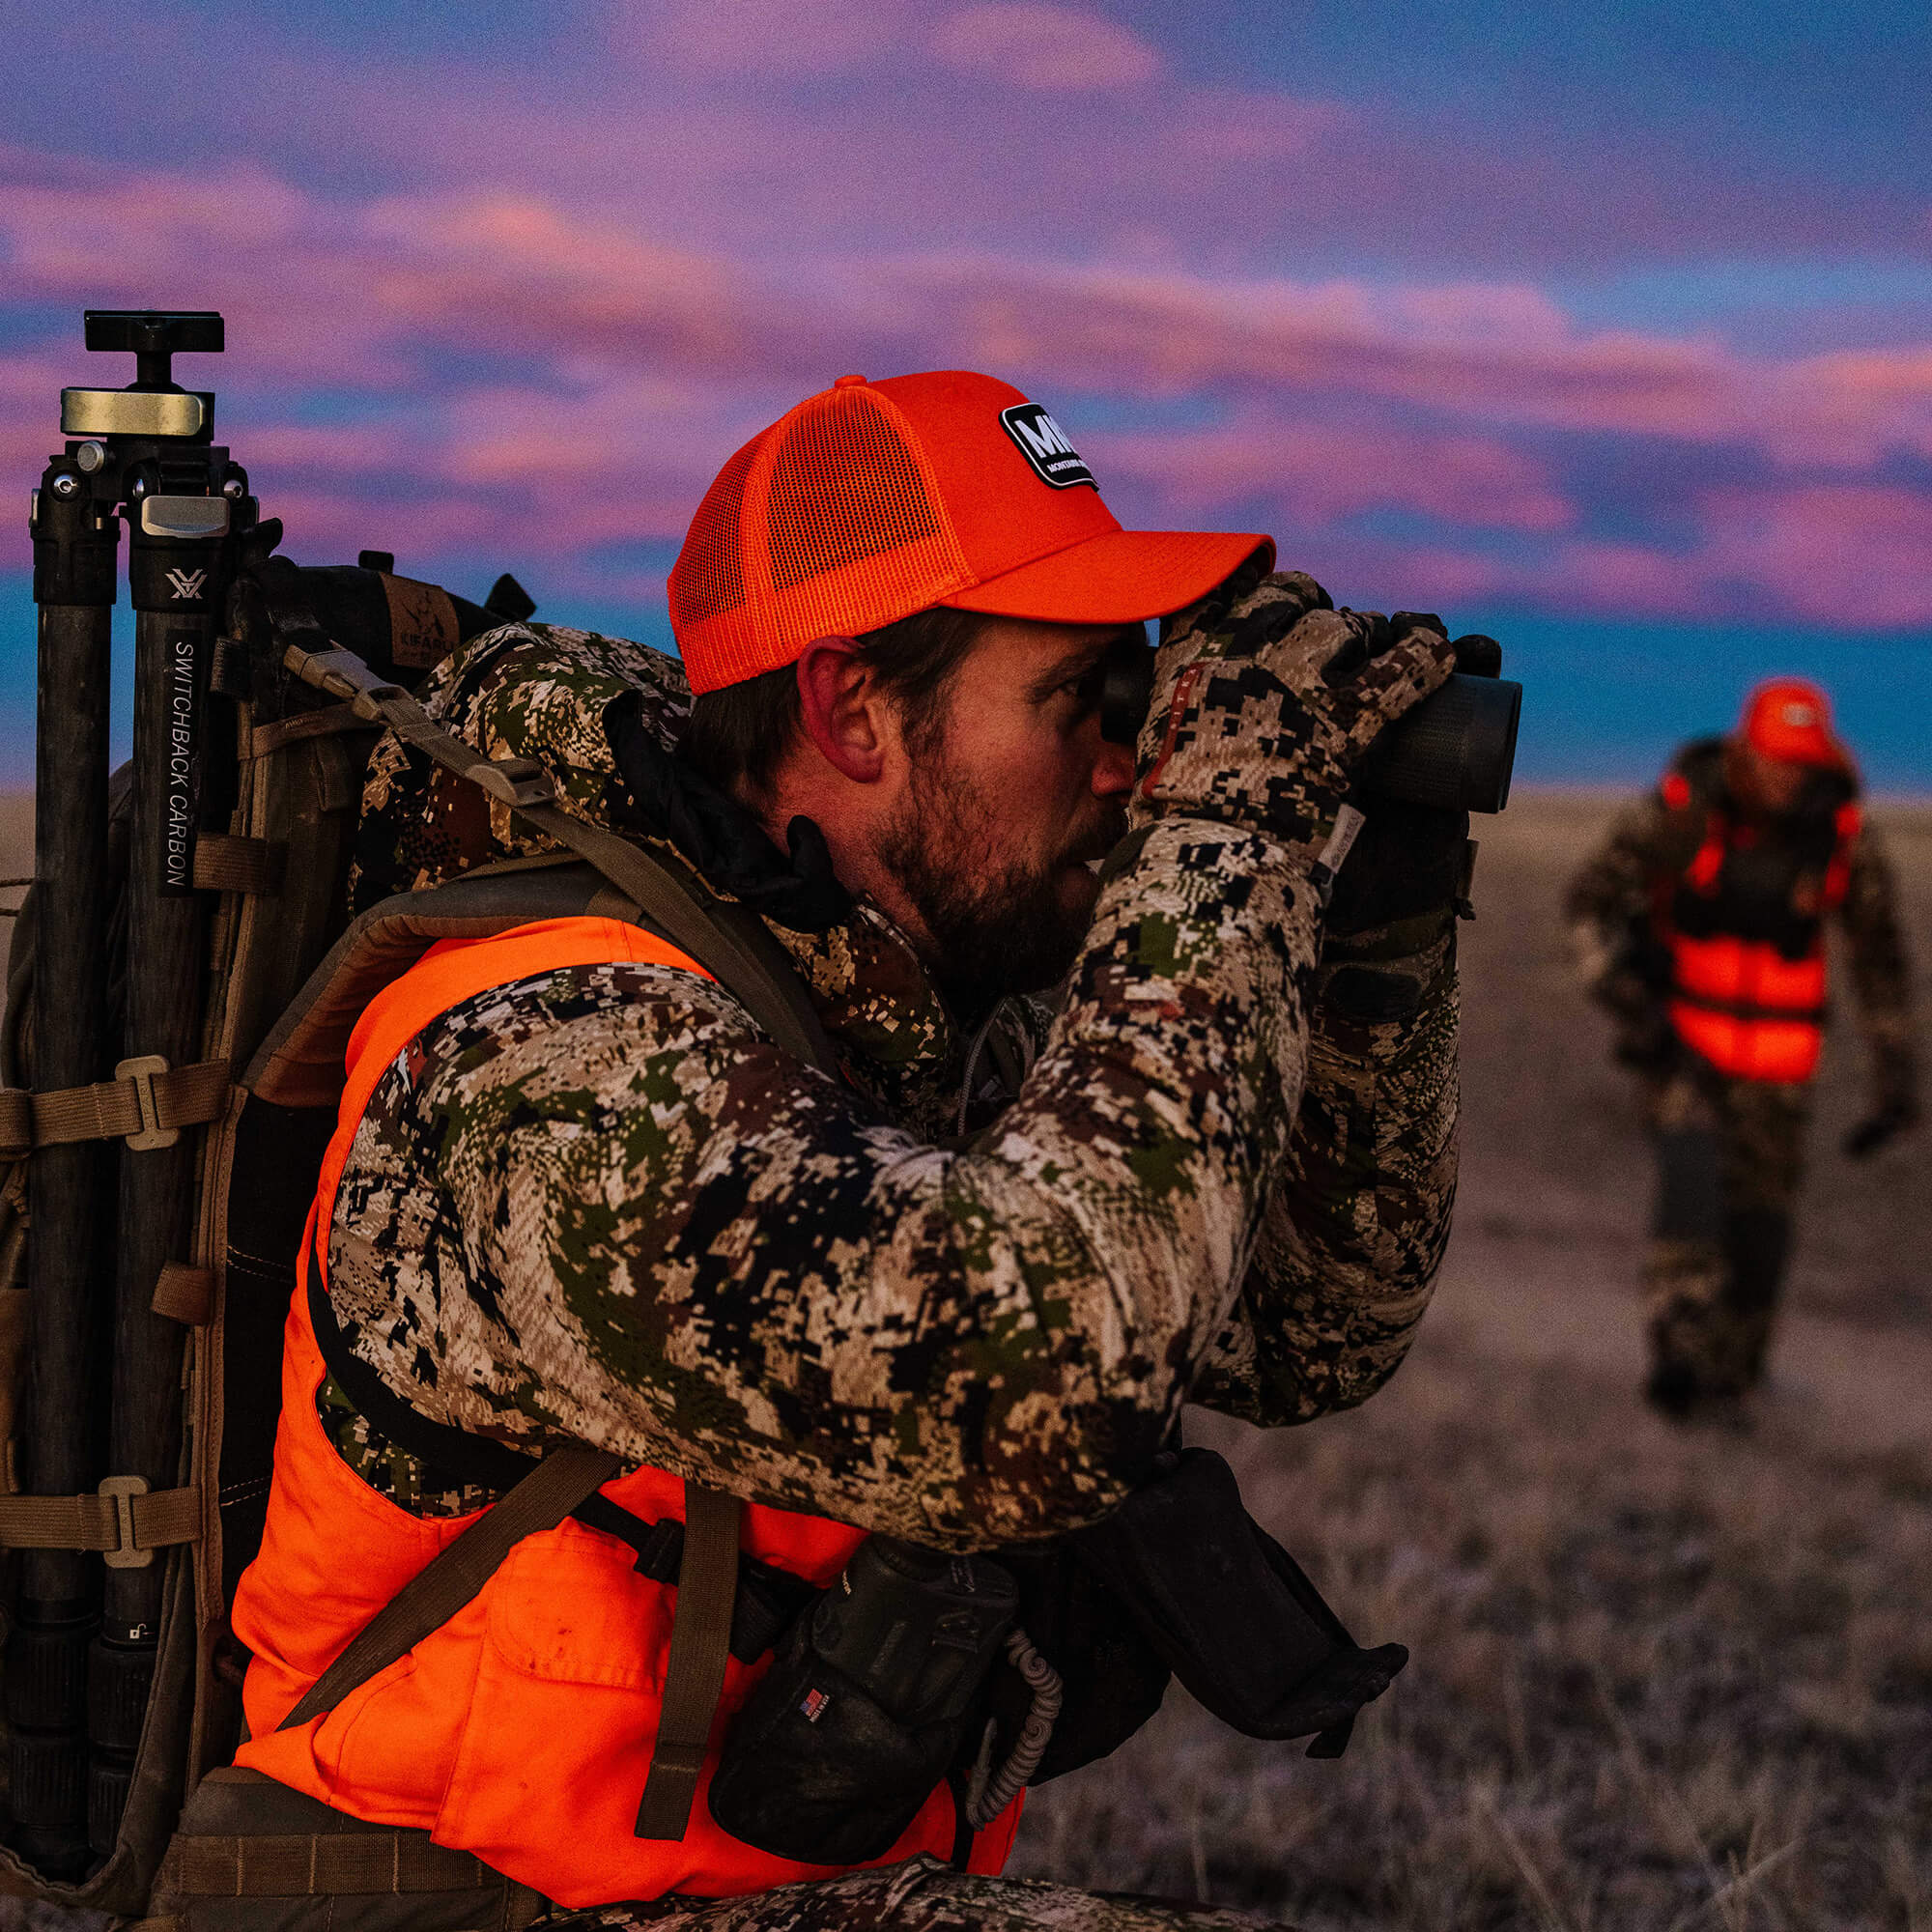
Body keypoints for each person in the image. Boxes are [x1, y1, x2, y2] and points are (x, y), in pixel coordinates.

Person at [225, 370, 1475, 1929]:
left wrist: (1374, 934)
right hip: (447, 1901)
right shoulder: (550, 1062)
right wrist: (1233, 821)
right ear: (850, 708)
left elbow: (1309, 1331)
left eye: (1146, 698)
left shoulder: (898, 1004)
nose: (1130, 764)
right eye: (1085, 698)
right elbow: (1034, 1381)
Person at [1565, 677, 1920, 1421]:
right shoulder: (1682, 811)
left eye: (1801, 761)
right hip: (1681, 1046)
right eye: (1773, 759)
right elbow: (1590, 903)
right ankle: (1678, 1363)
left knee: (1761, 1231)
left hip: (1780, 1070)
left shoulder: (1844, 837)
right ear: (1743, 752)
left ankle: (1733, 1385)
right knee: (1692, 1185)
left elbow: (1879, 957)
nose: (1786, 776)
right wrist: (1634, 1005)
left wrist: (1896, 1076)